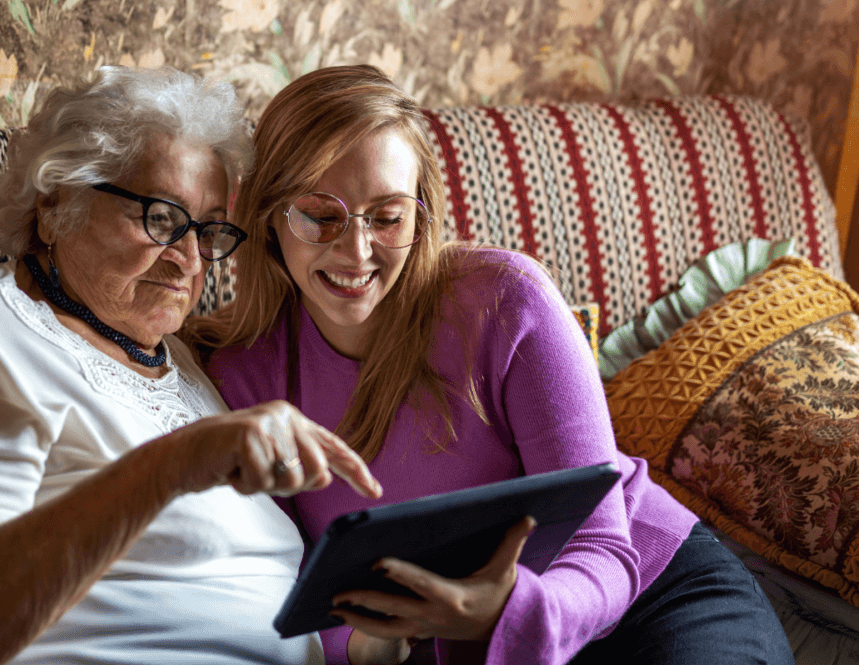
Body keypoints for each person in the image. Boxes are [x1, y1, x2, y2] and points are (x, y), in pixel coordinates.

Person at [194, 64, 795, 665]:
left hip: (649, 593)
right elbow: (279, 590)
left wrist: (510, 611)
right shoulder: (244, 376)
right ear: (270, 216)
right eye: (320, 215)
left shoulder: (505, 299)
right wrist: (368, 643)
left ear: (421, 214)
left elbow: (603, 543)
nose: (356, 251)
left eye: (387, 216)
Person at [0, 66, 381, 665]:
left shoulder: (179, 362)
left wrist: (379, 639)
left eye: (208, 230)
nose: (189, 261)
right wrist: (171, 467)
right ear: (56, 205)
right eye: (161, 218)